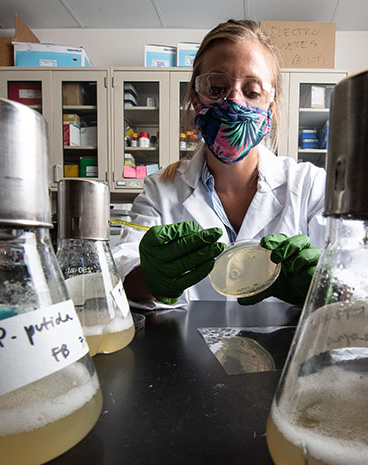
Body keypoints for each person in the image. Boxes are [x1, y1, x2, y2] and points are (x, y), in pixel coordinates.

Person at [113, 19, 326, 307]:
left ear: (271, 109)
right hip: (184, 350)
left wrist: (319, 286)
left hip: (285, 351)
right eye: (216, 88)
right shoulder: (159, 191)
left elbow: (351, 277)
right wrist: (151, 277)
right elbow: (121, 271)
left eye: (252, 92)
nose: (233, 102)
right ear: (194, 97)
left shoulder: (311, 185)